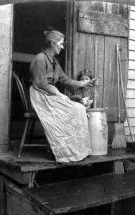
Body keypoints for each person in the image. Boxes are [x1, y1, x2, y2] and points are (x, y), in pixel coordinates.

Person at [29, 30, 98, 163]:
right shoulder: (40, 59)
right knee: (75, 109)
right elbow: (40, 83)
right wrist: (59, 94)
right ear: (53, 43)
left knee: (78, 108)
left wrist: (86, 83)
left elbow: (65, 80)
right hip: (40, 96)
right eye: (61, 44)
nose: (62, 46)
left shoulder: (54, 63)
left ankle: (78, 151)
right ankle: (64, 152)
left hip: (49, 94)